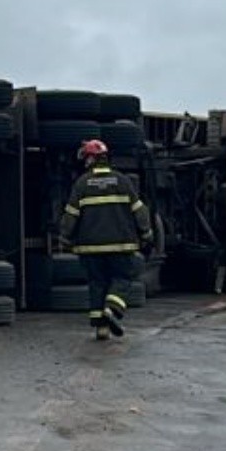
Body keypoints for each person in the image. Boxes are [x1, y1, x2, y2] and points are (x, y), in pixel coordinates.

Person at [57, 139, 154, 340]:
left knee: (97, 284)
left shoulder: (81, 184)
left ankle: (101, 328)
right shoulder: (123, 181)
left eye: (86, 159)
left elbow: (71, 215)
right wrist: (146, 234)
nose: (84, 163)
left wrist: (64, 238)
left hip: (90, 248)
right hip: (121, 245)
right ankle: (112, 309)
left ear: (92, 159)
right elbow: (140, 212)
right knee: (122, 278)